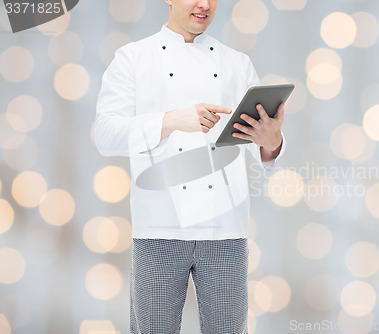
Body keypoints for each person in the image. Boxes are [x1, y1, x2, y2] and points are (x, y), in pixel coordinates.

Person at [95, 0, 286, 333]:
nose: (205, 4)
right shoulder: (133, 58)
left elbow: (262, 153)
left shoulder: (238, 63)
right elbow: (106, 135)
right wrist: (172, 120)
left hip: (226, 228)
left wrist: (272, 142)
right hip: (158, 227)